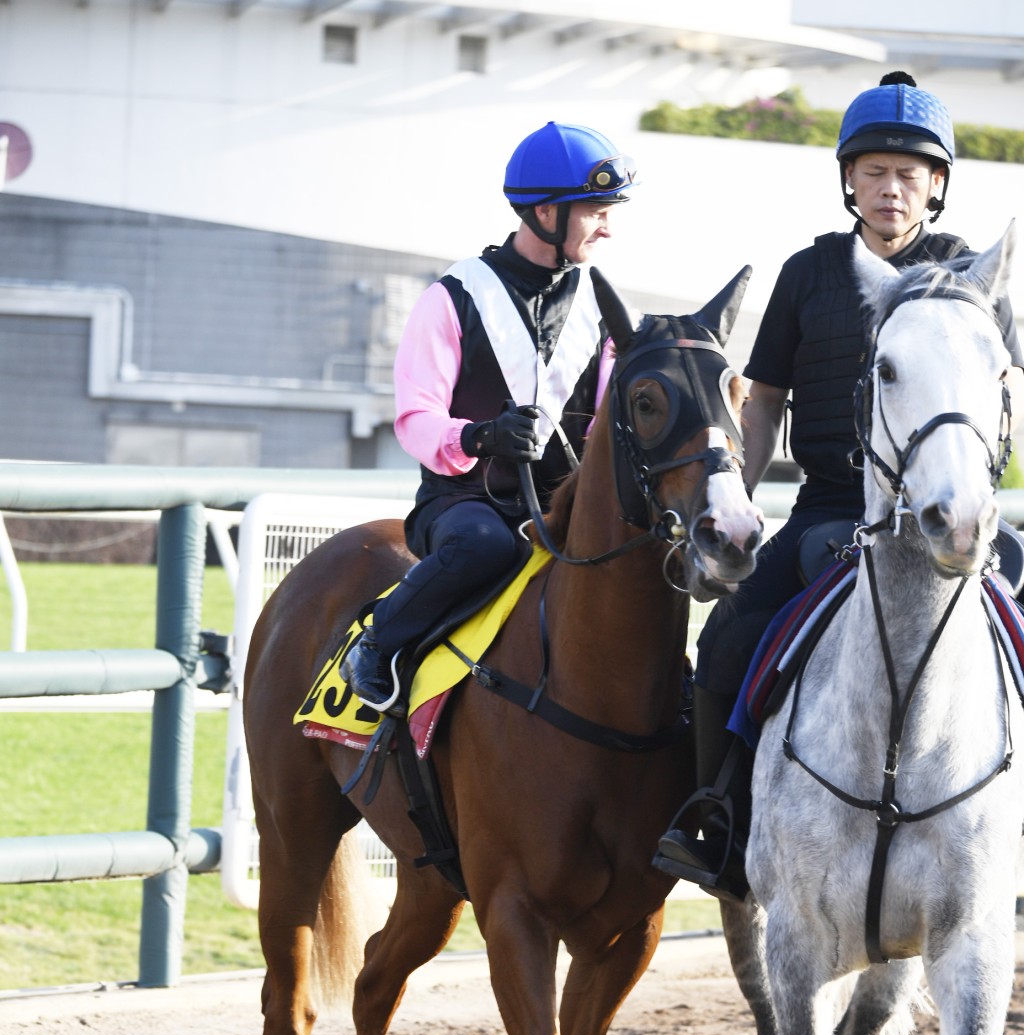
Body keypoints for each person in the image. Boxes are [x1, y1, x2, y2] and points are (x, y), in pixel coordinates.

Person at [655, 71, 1024, 899]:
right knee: (724, 642)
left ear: (936, 185)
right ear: (849, 180)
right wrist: (734, 504)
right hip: (829, 507)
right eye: (874, 171)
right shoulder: (807, 273)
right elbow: (763, 406)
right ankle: (716, 819)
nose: (891, 188)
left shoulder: (973, 277)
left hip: (948, 508)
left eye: (909, 174)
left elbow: (1009, 396)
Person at [340, 120, 636, 710]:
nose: (608, 225)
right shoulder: (451, 297)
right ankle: (376, 644)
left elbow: (606, 422)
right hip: (463, 506)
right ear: (547, 212)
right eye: (596, 210)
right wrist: (480, 435)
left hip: (562, 506)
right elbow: (415, 420)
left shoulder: (601, 309)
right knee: (486, 548)